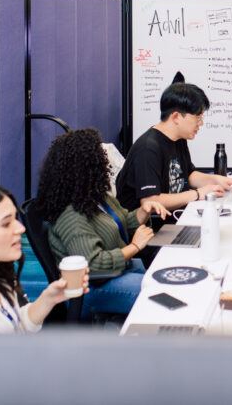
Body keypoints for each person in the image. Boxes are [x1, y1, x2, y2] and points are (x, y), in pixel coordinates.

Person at [35, 128, 168, 317]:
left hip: (119, 272)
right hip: (92, 289)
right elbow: (93, 265)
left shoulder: (95, 197)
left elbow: (123, 222)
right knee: (161, 299)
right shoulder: (71, 214)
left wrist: (144, 211)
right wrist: (135, 246)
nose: (105, 164)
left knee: (169, 283)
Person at [116, 82, 232, 213]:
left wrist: (217, 180)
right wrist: (197, 194)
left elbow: (188, 175)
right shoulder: (148, 148)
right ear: (176, 117)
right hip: (150, 228)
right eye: (197, 117)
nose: (200, 124)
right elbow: (151, 202)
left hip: (175, 216)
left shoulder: (179, 139)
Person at [0, 184, 89, 334]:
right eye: (6, 224)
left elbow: (16, 325)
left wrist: (49, 298)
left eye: (15, 219)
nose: (20, 228)